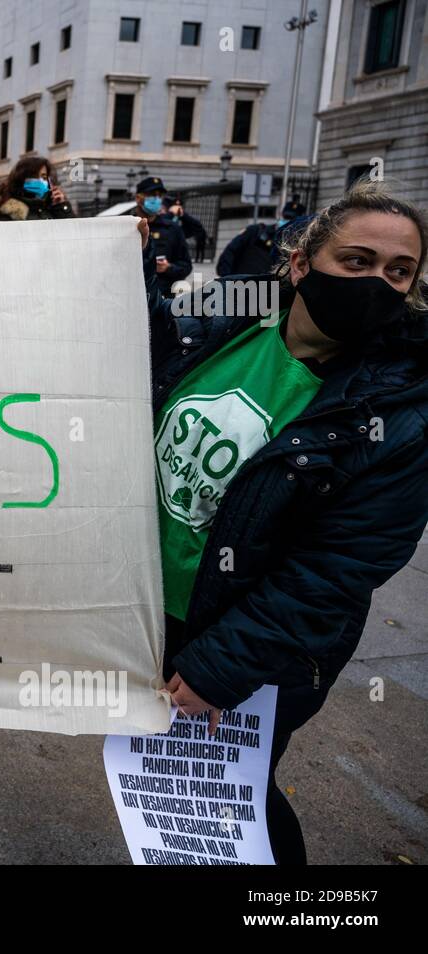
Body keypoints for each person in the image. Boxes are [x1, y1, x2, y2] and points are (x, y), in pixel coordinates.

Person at [136, 180, 428, 864]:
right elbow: (151, 349)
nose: (377, 282)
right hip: (152, 613)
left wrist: (220, 666)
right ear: (301, 264)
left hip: (247, 645)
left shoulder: (402, 411)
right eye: (357, 262)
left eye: (399, 271)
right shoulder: (233, 319)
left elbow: (336, 570)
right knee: (162, 787)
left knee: (231, 802)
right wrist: (122, 272)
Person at [132, 175, 191, 298]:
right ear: (138, 198)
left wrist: (168, 268)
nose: (157, 199)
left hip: (162, 300)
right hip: (132, 297)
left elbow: (186, 266)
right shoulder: (128, 225)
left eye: (160, 196)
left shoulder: (172, 229)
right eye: (152, 195)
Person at [217, 200, 308, 277]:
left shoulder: (296, 246)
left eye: (292, 219)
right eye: (286, 217)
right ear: (279, 214)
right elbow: (230, 251)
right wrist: (227, 277)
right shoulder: (255, 231)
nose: (288, 222)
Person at [0, 155, 75, 222]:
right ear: (22, 178)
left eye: (44, 177)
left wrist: (61, 207)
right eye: (36, 176)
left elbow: (74, 237)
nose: (42, 182)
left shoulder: (49, 208)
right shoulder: (2, 211)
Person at [164, 194, 207, 261]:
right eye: (175, 205)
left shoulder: (183, 217)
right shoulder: (166, 215)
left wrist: (183, 215)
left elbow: (197, 224)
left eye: (179, 205)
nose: (177, 207)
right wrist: (171, 213)